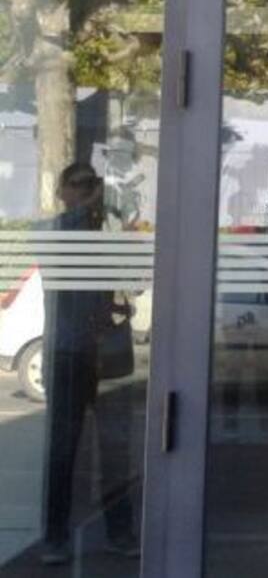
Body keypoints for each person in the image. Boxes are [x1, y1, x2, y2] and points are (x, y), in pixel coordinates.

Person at [41, 162, 139, 566]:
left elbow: (134, 282)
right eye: (78, 185)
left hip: (107, 352)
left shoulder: (107, 234)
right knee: (64, 451)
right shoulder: (54, 231)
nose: (85, 192)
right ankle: (55, 537)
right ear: (62, 190)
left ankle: (119, 530)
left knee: (115, 449)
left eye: (90, 185)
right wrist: (90, 208)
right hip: (69, 353)